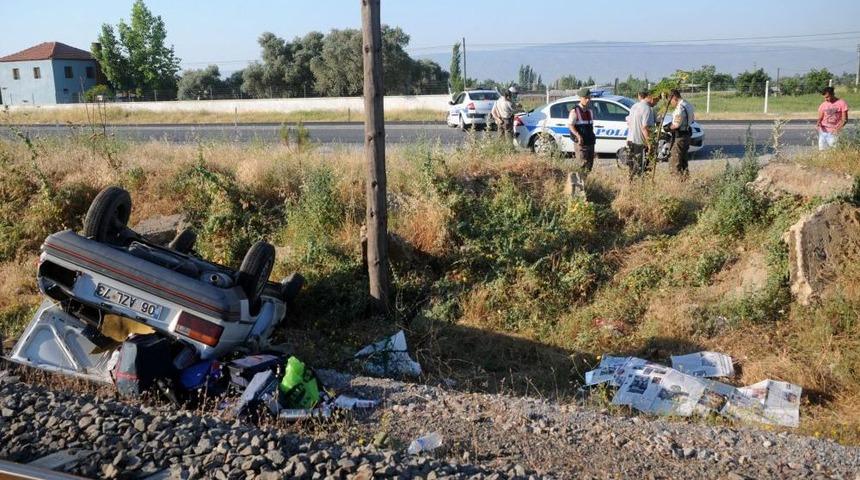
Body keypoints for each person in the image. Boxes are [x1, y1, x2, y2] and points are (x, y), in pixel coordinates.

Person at [625, 90, 656, 177]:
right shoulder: (647, 108)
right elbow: (645, 127)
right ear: (650, 97)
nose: (655, 102)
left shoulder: (634, 106)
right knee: (640, 167)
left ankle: (631, 186)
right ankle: (639, 186)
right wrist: (650, 144)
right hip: (640, 142)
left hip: (630, 140)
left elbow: (629, 122)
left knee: (632, 167)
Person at [666, 89, 695, 177]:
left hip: (679, 137)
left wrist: (667, 128)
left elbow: (676, 125)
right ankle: (685, 179)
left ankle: (677, 183)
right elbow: (693, 119)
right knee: (683, 161)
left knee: (675, 162)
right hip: (687, 135)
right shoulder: (688, 105)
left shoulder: (680, 109)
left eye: (670, 101)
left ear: (674, 98)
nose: (671, 103)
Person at [567, 87, 596, 172]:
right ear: (580, 98)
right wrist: (578, 136)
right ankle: (579, 184)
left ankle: (586, 184)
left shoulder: (589, 111)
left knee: (589, 167)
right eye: (585, 98)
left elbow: (590, 126)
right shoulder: (575, 111)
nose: (588, 100)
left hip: (590, 142)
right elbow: (570, 125)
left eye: (589, 98)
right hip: (581, 144)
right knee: (581, 166)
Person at [816, 86, 849, 150]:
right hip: (823, 132)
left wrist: (838, 129)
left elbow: (845, 119)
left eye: (827, 97)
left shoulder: (842, 103)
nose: (826, 99)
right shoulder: (823, 105)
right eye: (824, 97)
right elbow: (820, 117)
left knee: (834, 151)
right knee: (822, 151)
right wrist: (818, 122)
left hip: (833, 132)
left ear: (832, 94)